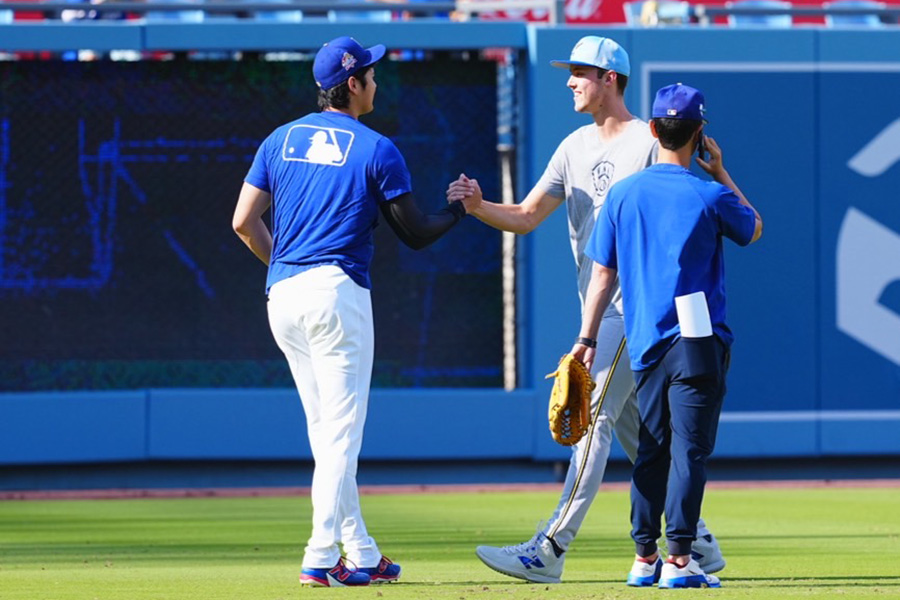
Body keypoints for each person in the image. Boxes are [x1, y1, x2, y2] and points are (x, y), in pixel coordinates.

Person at [447, 36, 725, 584]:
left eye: (581, 72)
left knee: (591, 424)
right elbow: (527, 215)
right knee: (639, 436)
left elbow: (691, 209)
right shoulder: (573, 145)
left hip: (635, 308)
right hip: (599, 306)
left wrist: (594, 329)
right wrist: (479, 208)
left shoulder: (652, 141)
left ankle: (549, 549)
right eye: (571, 72)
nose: (570, 81)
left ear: (611, 79)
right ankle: (699, 544)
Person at [232, 36, 481, 588]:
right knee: (341, 436)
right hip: (336, 293)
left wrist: (284, 267)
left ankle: (361, 549)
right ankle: (321, 555)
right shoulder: (376, 147)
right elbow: (415, 233)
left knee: (326, 434)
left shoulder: (279, 139)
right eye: (371, 73)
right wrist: (460, 210)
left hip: (284, 294)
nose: (377, 81)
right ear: (353, 84)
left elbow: (243, 222)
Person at [573, 83, 762, 588]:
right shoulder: (709, 192)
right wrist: (719, 169)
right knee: (688, 451)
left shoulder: (622, 194)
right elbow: (755, 227)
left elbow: (600, 277)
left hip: (646, 338)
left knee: (653, 449)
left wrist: (586, 341)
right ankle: (679, 560)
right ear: (699, 133)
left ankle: (644, 558)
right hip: (698, 339)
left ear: (653, 129)